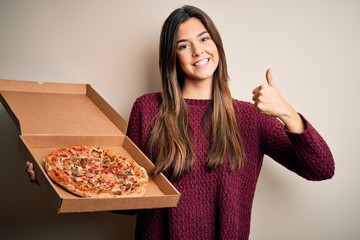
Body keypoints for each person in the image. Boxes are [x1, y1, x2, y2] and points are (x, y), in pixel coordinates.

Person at [26, 5, 335, 240]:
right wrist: (53, 178)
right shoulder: (147, 108)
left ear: (217, 45)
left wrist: (287, 113)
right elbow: (132, 199)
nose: (198, 50)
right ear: (171, 57)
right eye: (183, 45)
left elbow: (321, 169)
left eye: (204, 39)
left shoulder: (251, 118)